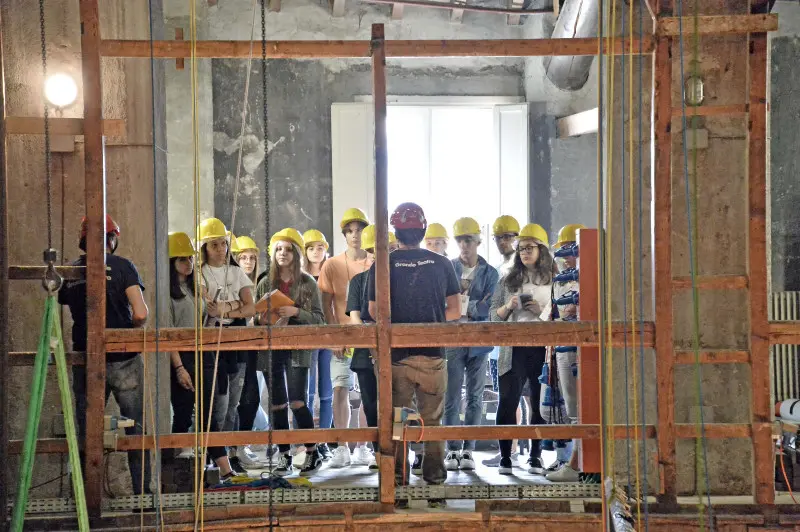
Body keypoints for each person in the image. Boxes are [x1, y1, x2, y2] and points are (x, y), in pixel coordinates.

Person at [368, 202, 461, 507]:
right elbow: (455, 310)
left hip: (396, 358)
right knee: (432, 421)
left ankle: (398, 485)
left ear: (395, 231)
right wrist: (430, 321)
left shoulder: (383, 263)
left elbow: (372, 311)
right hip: (433, 356)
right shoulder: (442, 263)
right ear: (422, 230)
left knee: (398, 423)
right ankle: (434, 487)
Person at [59, 214, 151, 494]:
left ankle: (84, 499)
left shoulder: (72, 271)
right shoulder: (123, 267)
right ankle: (142, 496)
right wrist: (128, 329)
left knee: (86, 432)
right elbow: (141, 313)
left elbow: (61, 303)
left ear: (84, 239)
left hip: (84, 358)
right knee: (135, 429)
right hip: (122, 355)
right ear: (113, 238)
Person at [167, 231, 243, 480]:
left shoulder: (193, 291)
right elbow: (168, 336)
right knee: (182, 414)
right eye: (181, 260)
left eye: (190, 259)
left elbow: (205, 326)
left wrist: (213, 315)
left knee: (210, 415)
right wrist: (179, 368)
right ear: (171, 263)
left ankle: (225, 470)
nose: (188, 264)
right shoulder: (169, 295)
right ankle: (176, 471)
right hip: (185, 359)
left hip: (205, 357)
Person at [255, 228, 325, 476]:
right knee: (276, 404)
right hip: (271, 349)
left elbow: (319, 320)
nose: (282, 254)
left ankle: (312, 451)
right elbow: (255, 318)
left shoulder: (308, 282)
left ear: (296, 253)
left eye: (287, 249)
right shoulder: (265, 282)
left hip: (297, 348)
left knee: (297, 401)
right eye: (278, 249)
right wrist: (262, 319)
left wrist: (296, 313)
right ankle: (283, 455)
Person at [489, 223, 554, 476]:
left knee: (539, 403)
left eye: (530, 247)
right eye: (521, 248)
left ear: (542, 250)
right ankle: (506, 456)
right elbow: (493, 317)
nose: (525, 252)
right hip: (512, 348)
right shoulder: (507, 280)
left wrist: (543, 312)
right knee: (507, 401)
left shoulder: (553, 278)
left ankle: (536, 456)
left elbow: (563, 314)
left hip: (541, 348)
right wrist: (508, 306)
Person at [318, 208, 374, 468]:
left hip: (367, 336)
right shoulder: (332, 265)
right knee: (340, 387)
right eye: (350, 230)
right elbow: (326, 306)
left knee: (366, 391)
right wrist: (334, 338)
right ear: (344, 234)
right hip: (343, 336)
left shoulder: (374, 262)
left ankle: (363, 445)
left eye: (359, 229)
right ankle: (341, 446)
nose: (355, 235)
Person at [443, 217, 499, 471]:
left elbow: (488, 307)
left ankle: (469, 450)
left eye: (468, 240)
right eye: (460, 240)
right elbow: (442, 305)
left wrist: (462, 306)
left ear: (478, 241)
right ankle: (452, 449)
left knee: (475, 396)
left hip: (478, 340)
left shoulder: (491, 273)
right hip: (453, 341)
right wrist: (461, 307)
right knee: (451, 396)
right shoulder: (448, 268)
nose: (464, 245)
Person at [346, 225, 399, 471]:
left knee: (399, 405)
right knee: (370, 404)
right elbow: (355, 317)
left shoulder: (404, 279)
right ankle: (380, 454)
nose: (385, 253)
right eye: (380, 249)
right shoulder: (359, 281)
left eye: (390, 248)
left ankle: (400, 455)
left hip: (398, 350)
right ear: (371, 251)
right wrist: (372, 335)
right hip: (367, 351)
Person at [223, 234, 269, 471]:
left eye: (252, 257)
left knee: (251, 398)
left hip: (255, 347)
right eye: (243, 257)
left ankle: (241, 445)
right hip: (235, 346)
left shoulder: (261, 281)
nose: (248, 262)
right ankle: (229, 450)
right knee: (232, 400)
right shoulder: (229, 282)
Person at [546, 224, 586, 483]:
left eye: (568, 250)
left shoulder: (587, 276)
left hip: (579, 348)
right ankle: (570, 460)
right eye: (561, 251)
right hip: (562, 347)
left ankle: (577, 465)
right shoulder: (560, 281)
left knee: (579, 409)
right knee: (567, 407)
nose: (564, 256)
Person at [301, 228, 334, 460]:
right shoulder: (300, 277)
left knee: (326, 391)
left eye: (320, 247)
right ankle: (307, 442)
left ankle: (323, 440)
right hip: (307, 339)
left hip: (329, 337)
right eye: (311, 248)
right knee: (307, 391)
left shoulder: (331, 272)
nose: (315, 252)